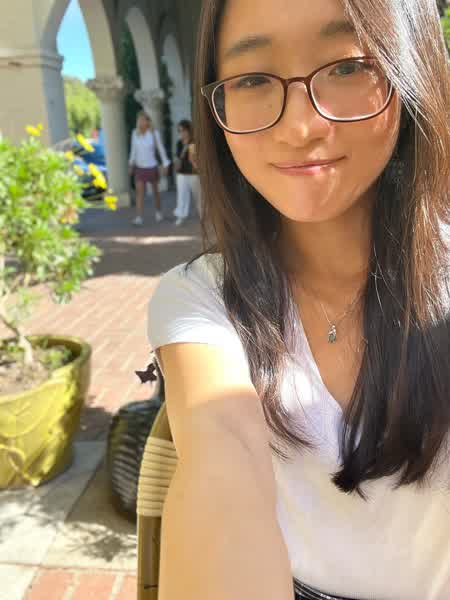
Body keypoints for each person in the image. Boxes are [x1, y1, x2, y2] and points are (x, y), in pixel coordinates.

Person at [146, 1, 450, 599]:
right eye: (253, 79)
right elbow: (221, 459)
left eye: (346, 67)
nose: (301, 126)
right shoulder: (203, 299)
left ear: (410, 66)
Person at [128, 111, 170, 226]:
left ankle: (158, 212)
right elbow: (133, 150)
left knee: (155, 192)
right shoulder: (135, 133)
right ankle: (139, 217)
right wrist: (131, 164)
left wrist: (166, 163)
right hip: (139, 168)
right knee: (139, 193)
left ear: (148, 121)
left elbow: (160, 149)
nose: (141, 122)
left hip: (152, 166)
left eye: (143, 120)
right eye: (139, 120)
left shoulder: (154, 133)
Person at [173, 119, 202, 226]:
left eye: (183, 130)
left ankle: (203, 215)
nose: (181, 133)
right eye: (179, 131)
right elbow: (178, 158)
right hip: (182, 173)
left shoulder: (194, 142)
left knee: (198, 196)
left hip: (193, 173)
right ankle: (181, 215)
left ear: (188, 130)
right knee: (181, 195)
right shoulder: (179, 143)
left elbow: (195, 159)